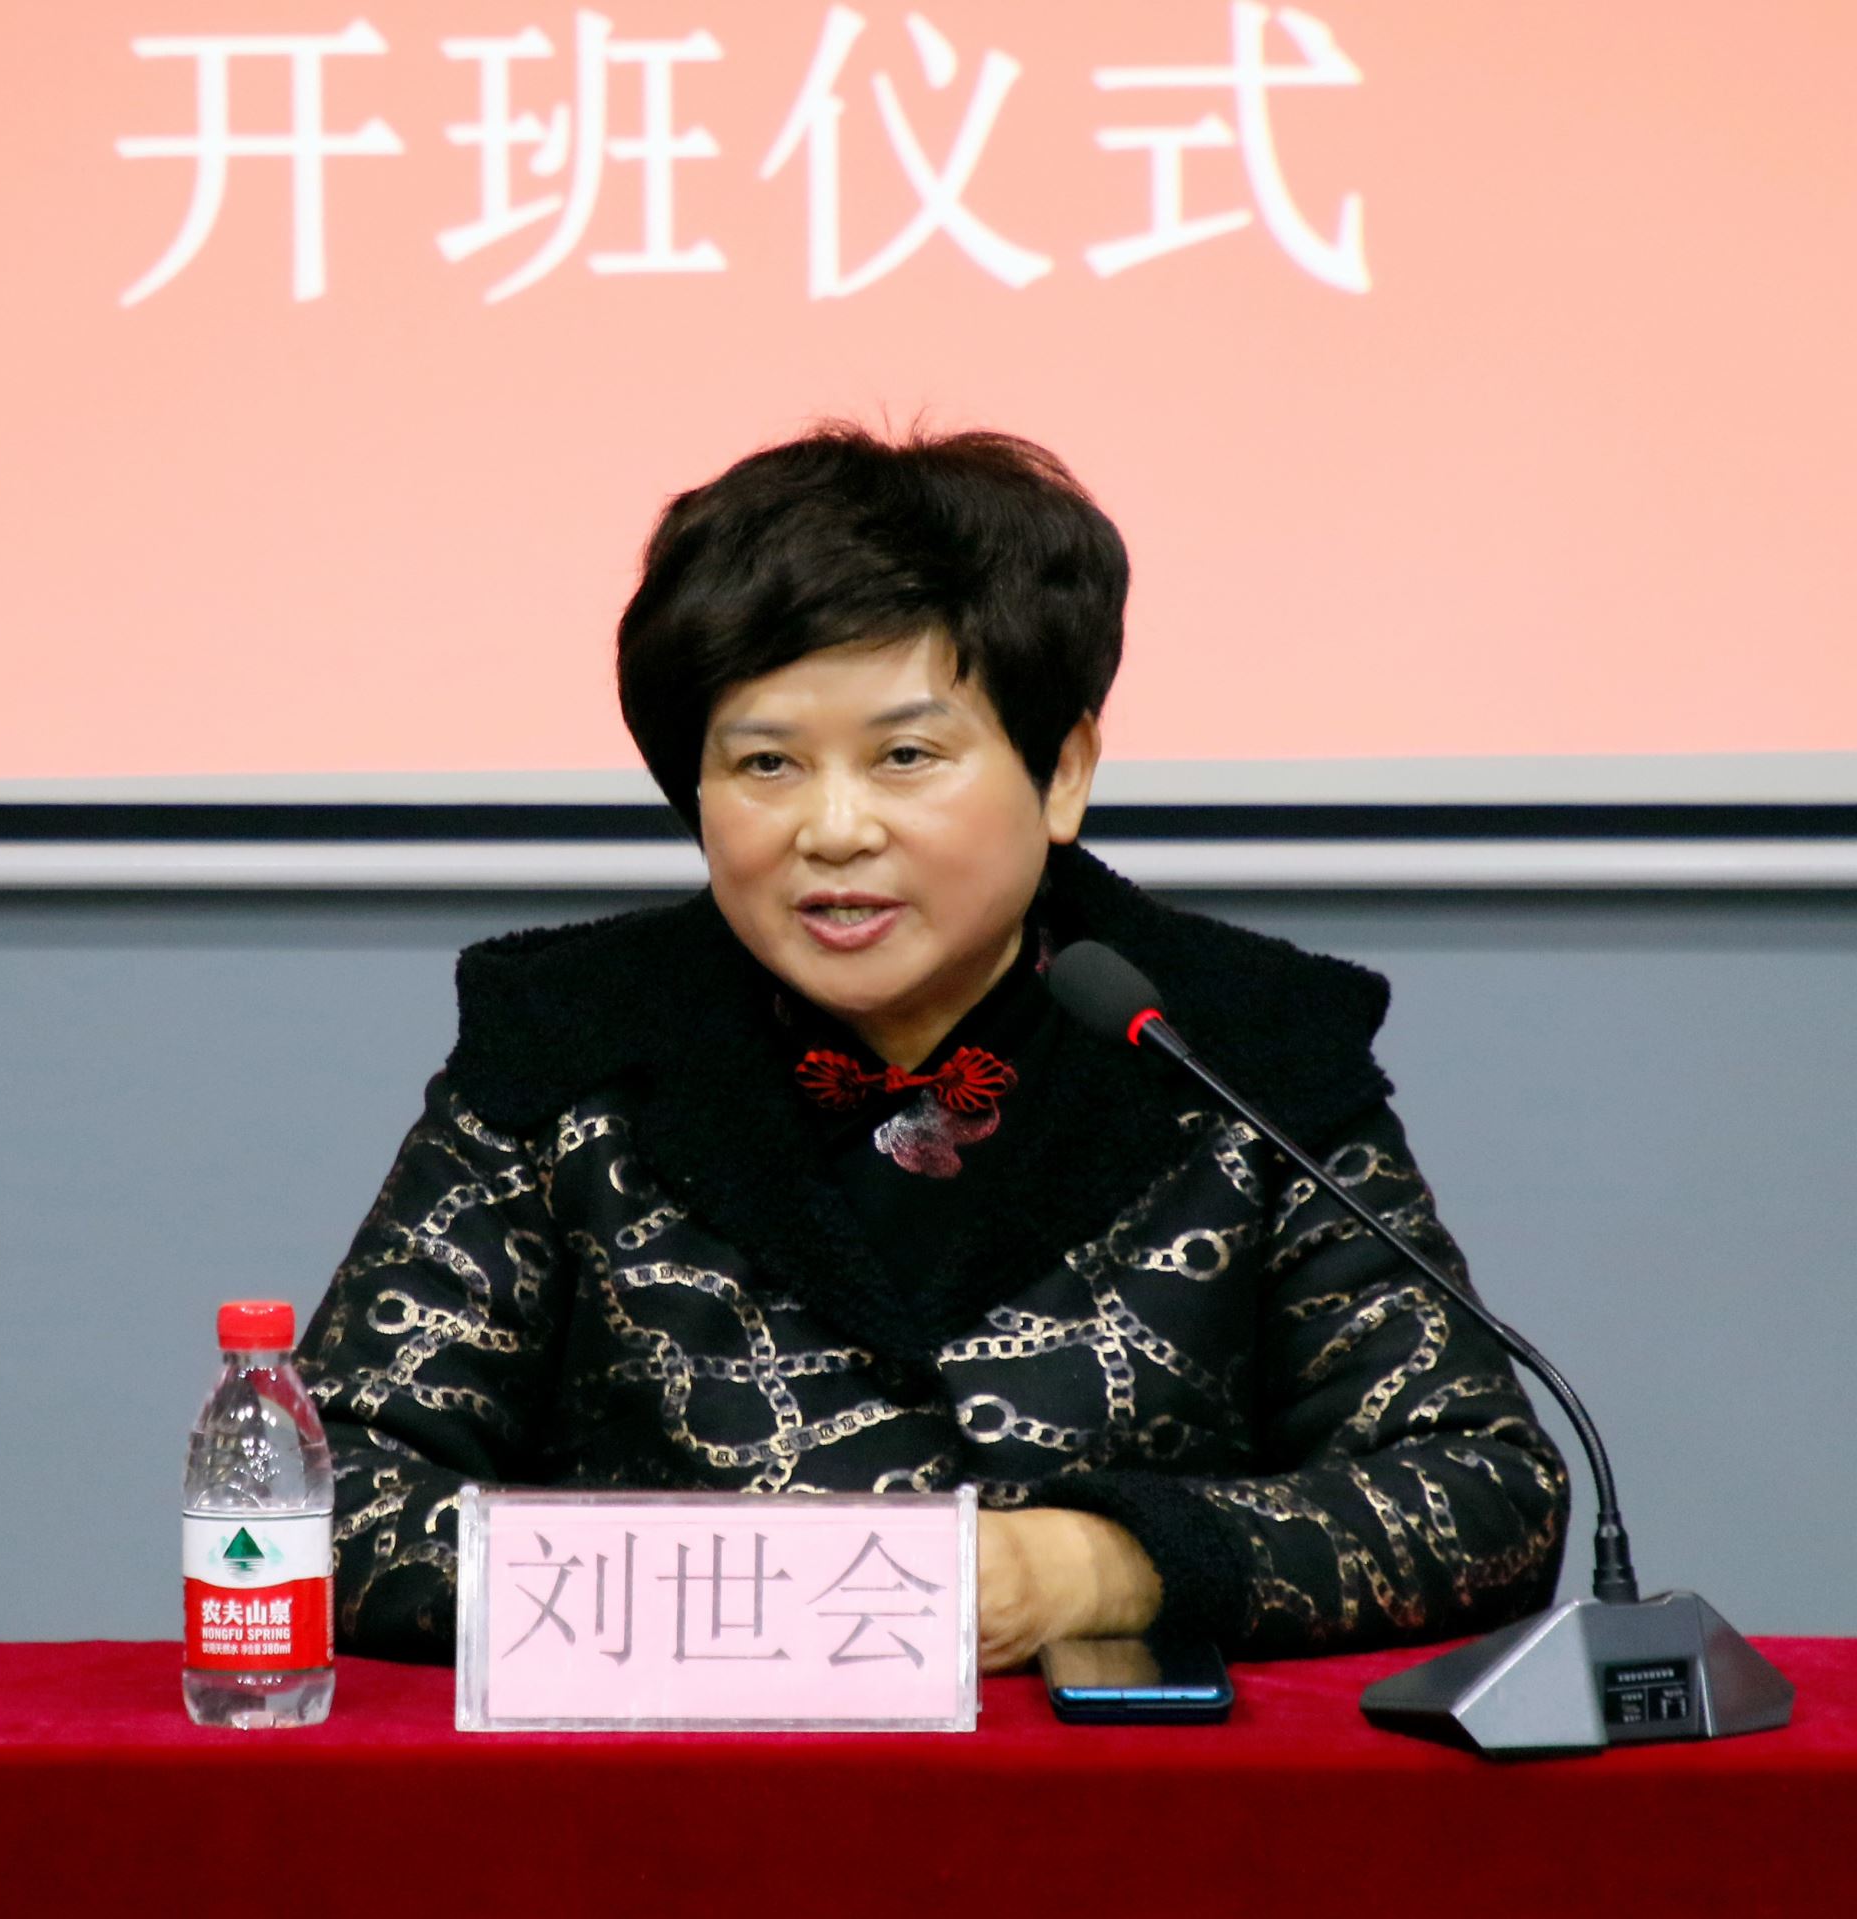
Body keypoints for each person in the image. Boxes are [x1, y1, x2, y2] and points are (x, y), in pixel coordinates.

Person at [298, 423, 1566, 1671]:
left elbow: (1487, 1490)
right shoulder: (570, 1045)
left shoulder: (1235, 1044)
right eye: (766, 764)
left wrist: (1103, 1567)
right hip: (679, 1779)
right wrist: (749, 1593)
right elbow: (324, 1493)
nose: (834, 828)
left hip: (1106, 1791)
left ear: (1062, 772)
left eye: (905, 756)